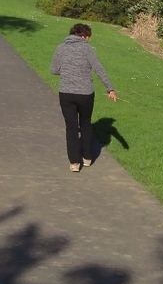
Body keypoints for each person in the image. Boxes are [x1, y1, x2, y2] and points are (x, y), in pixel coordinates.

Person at [49, 23, 116, 172]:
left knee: (71, 127)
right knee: (85, 124)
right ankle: (87, 158)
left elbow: (53, 69)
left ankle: (74, 163)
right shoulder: (87, 49)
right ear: (83, 36)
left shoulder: (61, 48)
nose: (88, 41)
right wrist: (110, 88)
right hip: (85, 94)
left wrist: (67, 72)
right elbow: (99, 69)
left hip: (66, 93)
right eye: (88, 38)